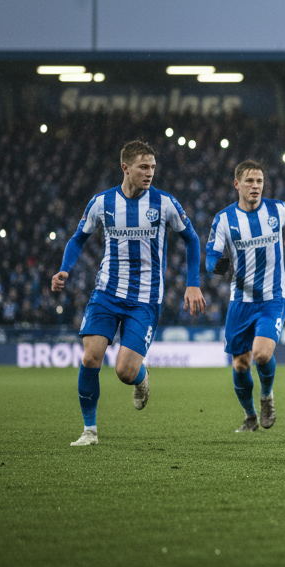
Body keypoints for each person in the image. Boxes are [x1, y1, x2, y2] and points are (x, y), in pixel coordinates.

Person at [51, 141, 206, 446]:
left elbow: (192, 239)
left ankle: (141, 377)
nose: (150, 173)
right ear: (126, 168)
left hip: (145, 299)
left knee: (124, 371)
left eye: (153, 167)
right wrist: (65, 269)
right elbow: (78, 238)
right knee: (91, 357)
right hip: (107, 292)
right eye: (143, 167)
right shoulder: (102, 202)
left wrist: (193, 282)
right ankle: (90, 430)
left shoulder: (164, 203)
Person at [206, 160, 285, 433]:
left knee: (262, 355)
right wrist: (216, 266)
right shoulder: (224, 219)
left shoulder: (277, 209)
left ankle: (266, 396)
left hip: (273, 298)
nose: (255, 186)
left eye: (259, 181)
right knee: (241, 364)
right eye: (250, 181)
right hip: (241, 301)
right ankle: (250, 416)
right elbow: (210, 256)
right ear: (237, 184)